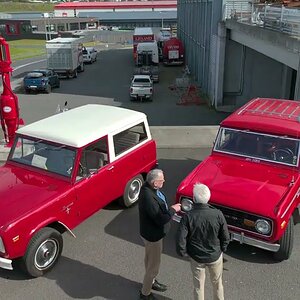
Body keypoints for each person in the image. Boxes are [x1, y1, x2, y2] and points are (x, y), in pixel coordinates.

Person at [176, 183, 230, 300]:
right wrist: (222, 249)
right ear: (208, 198)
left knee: (198, 286)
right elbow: (225, 236)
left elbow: (181, 238)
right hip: (215, 256)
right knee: (217, 284)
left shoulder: (188, 216)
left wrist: (184, 253)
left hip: (196, 257)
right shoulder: (218, 214)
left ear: (194, 199)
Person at [138, 169, 181, 300]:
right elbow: (160, 219)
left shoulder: (148, 188)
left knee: (149, 260)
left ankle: (151, 281)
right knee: (153, 266)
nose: (164, 181)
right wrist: (173, 210)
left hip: (148, 233)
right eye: (162, 180)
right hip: (153, 236)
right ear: (155, 183)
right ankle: (145, 293)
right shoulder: (149, 198)